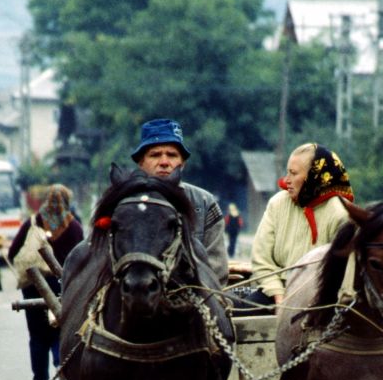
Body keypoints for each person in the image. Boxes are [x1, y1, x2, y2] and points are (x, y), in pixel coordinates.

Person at [248, 143, 353, 311]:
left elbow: (342, 274)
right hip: (275, 292)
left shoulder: (339, 214)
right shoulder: (277, 203)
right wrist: (278, 296)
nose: (286, 180)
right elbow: (262, 259)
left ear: (314, 176)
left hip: (321, 299)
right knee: (230, 316)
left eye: (294, 173)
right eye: (287, 172)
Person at [9, 184, 84, 380]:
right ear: (67, 202)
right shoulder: (75, 227)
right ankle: (63, 376)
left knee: (37, 335)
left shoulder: (32, 223)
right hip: (63, 285)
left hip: (34, 285)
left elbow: (14, 250)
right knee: (61, 332)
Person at [131, 118, 229, 284]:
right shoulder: (123, 203)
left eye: (172, 155)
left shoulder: (204, 202)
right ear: (141, 162)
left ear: (182, 163)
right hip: (135, 297)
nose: (164, 162)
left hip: (192, 299)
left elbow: (216, 270)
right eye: (155, 155)